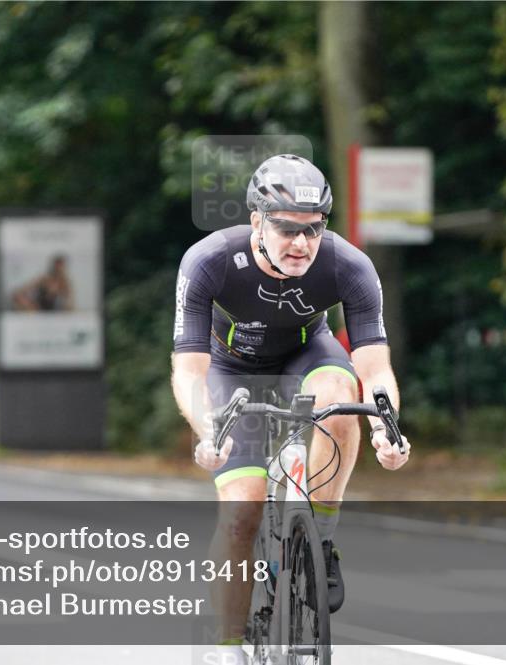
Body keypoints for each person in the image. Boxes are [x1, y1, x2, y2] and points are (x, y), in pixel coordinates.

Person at [171, 154, 411, 660]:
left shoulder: (348, 265)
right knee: (243, 510)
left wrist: (386, 427)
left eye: (314, 228)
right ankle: (229, 644)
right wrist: (207, 428)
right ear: (257, 222)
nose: (302, 243)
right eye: (286, 228)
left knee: (341, 400)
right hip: (230, 370)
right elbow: (189, 371)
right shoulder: (210, 260)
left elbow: (373, 368)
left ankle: (318, 540)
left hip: (307, 355)